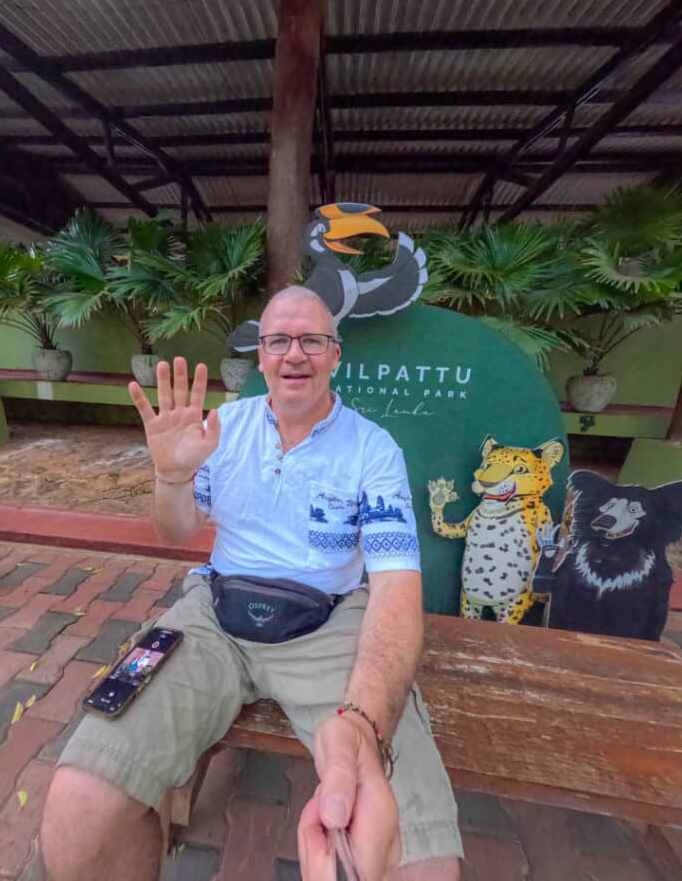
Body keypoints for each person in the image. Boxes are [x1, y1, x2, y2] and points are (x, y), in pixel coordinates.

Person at [38, 286, 463, 881]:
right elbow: (175, 530)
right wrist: (170, 477)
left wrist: (365, 722)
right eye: (279, 341)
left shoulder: (372, 450)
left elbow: (395, 588)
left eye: (312, 340)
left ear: (335, 355)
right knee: (78, 808)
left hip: (329, 623)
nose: (295, 354)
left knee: (418, 862)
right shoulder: (222, 428)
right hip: (213, 612)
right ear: (260, 355)